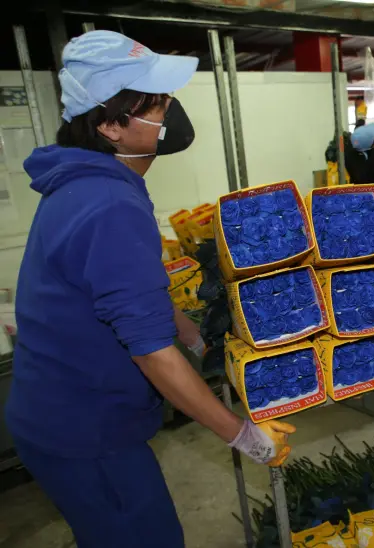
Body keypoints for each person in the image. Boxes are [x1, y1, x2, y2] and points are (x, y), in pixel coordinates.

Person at [5, 31, 295, 547]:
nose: (171, 113)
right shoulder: (108, 204)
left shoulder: (89, 182)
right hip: (85, 432)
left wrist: (192, 337)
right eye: (156, 105)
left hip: (62, 413)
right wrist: (244, 435)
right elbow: (151, 354)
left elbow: (126, 295)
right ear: (111, 125)